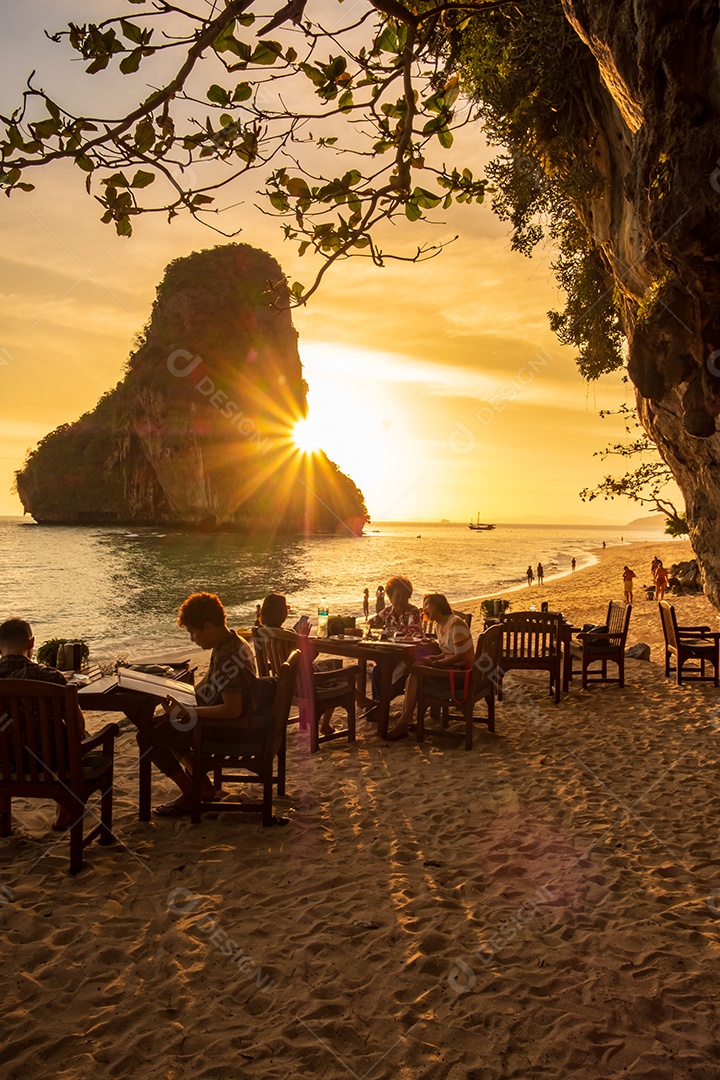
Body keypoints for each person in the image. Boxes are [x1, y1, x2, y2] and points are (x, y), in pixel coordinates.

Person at [150, 592, 257, 817]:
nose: (192, 639)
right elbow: (208, 682)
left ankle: (194, 790)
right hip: (236, 722)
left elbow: (232, 709)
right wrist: (183, 698)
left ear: (207, 626)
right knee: (161, 724)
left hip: (232, 729)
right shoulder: (229, 643)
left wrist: (188, 712)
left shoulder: (228, 655)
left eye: (192, 632)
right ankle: (199, 783)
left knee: (150, 735)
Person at [0, 618, 86, 830]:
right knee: (77, 737)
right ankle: (65, 806)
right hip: (49, 764)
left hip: (4, 764)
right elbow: (78, 728)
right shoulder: (51, 677)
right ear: (31, 643)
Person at [386, 595, 474, 740]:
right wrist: (433, 658)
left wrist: (436, 663)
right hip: (451, 669)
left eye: (427, 605)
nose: (424, 609)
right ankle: (406, 716)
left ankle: (405, 719)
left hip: (460, 676)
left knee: (416, 672)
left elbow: (461, 657)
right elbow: (448, 652)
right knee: (416, 666)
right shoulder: (440, 625)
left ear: (438, 605)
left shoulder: (455, 624)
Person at [258, 592, 337, 734]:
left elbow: (283, 654)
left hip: (280, 682)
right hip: (301, 684)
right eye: (286, 608)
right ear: (281, 613)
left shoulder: (264, 632)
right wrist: (304, 638)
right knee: (337, 666)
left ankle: (363, 701)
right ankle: (325, 724)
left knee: (331, 665)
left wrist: (296, 635)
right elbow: (304, 660)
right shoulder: (288, 636)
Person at [363, 576, 424, 717]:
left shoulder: (413, 611)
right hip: (392, 654)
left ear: (409, 597)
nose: (401, 600)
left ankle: (379, 706)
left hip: (411, 656)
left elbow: (415, 631)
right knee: (378, 671)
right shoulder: (388, 611)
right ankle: (378, 705)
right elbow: (372, 622)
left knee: (400, 672)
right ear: (390, 597)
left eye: (404, 596)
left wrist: (392, 634)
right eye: (397, 596)